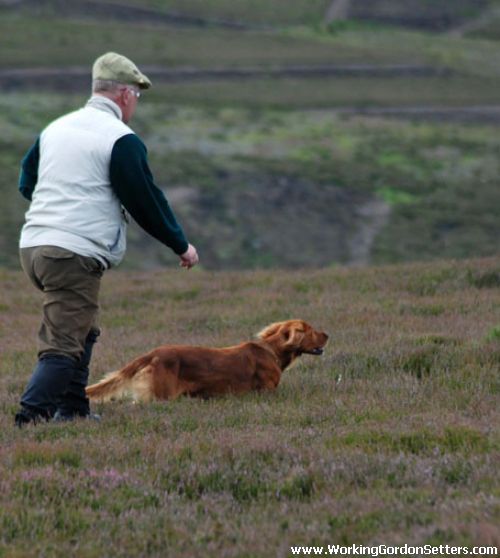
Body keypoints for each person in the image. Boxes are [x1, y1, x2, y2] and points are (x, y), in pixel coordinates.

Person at [14, 52, 199, 426]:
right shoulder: (120, 139)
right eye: (137, 97)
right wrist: (181, 245)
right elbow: (145, 200)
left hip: (33, 246)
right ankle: (30, 418)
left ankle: (73, 410)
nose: (136, 105)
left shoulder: (57, 128)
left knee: (83, 327)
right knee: (63, 343)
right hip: (71, 252)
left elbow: (26, 182)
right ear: (126, 95)